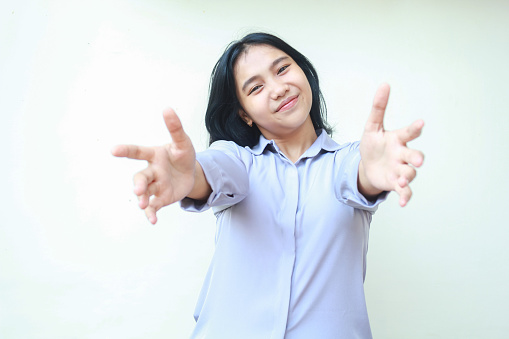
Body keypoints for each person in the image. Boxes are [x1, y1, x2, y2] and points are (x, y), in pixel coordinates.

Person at [112, 32, 424, 339]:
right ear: (243, 114)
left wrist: (372, 172)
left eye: (283, 69)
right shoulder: (238, 160)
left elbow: (359, 177)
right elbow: (212, 172)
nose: (278, 88)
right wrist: (189, 175)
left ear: (304, 72)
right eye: (257, 87)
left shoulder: (347, 161)